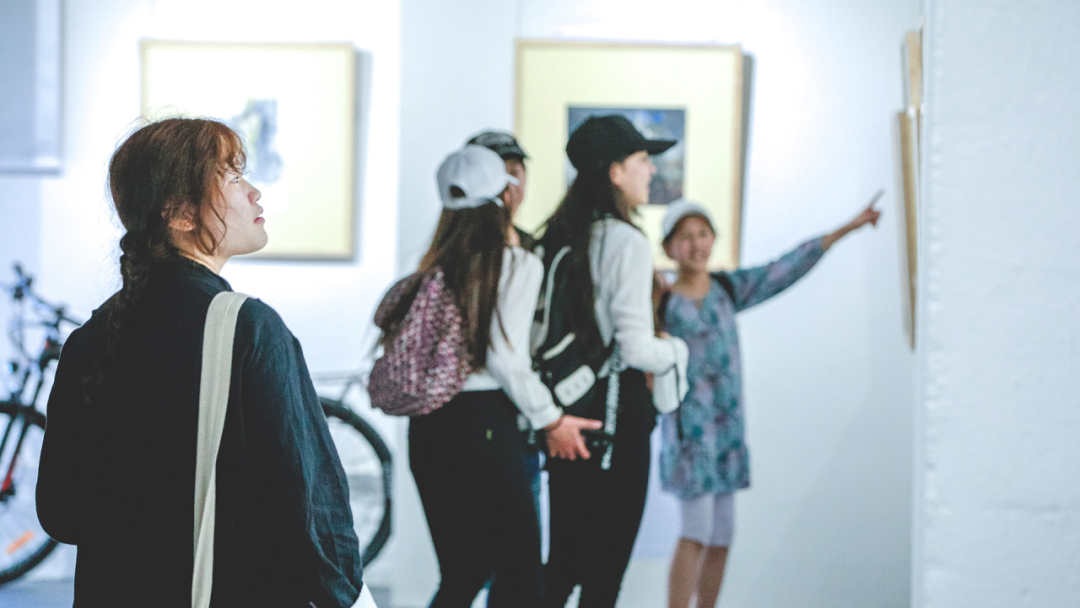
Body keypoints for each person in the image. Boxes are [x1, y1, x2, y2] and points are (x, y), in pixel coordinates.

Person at [35, 118, 365, 608]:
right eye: (233, 177)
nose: (254, 193)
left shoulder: (91, 338)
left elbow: (61, 513)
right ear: (182, 215)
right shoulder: (247, 327)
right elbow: (312, 509)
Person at [394, 145, 599, 607]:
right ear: (504, 196)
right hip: (485, 423)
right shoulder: (518, 263)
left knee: (463, 573)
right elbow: (505, 358)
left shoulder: (430, 268)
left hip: (428, 428)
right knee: (522, 580)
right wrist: (551, 419)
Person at [657, 197, 881, 608]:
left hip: (728, 436)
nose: (696, 244)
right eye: (685, 236)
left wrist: (847, 228)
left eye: (703, 234)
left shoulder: (728, 290)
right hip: (690, 439)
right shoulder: (661, 302)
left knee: (722, 536)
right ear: (669, 247)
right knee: (695, 532)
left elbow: (784, 268)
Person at [539, 115, 689, 608]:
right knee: (603, 581)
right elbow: (637, 348)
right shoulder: (626, 241)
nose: (652, 170)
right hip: (617, 426)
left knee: (562, 567)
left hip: (568, 418)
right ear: (615, 172)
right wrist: (677, 350)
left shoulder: (561, 235)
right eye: (643, 159)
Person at [467, 130, 534, 249]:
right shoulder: (459, 249)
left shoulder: (536, 248)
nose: (508, 185)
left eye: (514, 173)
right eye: (495, 175)